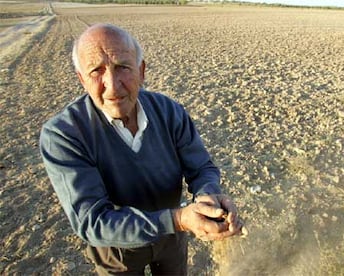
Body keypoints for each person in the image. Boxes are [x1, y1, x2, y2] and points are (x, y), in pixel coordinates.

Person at [39, 23, 243, 275]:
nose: (112, 86)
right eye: (96, 71)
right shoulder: (63, 134)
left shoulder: (169, 111)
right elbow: (92, 222)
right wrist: (178, 219)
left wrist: (209, 197)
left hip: (173, 238)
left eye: (123, 67)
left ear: (141, 70)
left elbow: (201, 167)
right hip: (117, 251)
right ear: (81, 79)